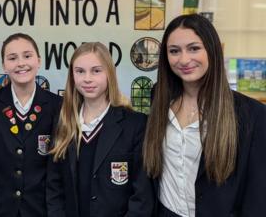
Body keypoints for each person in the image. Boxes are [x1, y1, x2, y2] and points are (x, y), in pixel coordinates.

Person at [142, 14, 266, 216]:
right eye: (174, 51)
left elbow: (257, 196)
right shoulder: (159, 97)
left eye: (194, 48)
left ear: (212, 50)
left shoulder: (252, 114)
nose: (184, 59)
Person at [47, 42, 153, 217]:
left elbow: (141, 195)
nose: (87, 78)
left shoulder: (135, 124)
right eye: (80, 71)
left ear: (109, 73)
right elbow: (54, 185)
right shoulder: (64, 122)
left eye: (96, 71)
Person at [0, 33, 62, 217]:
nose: (21, 63)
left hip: (40, 209)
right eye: (12, 58)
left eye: (27, 56)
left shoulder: (56, 105)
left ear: (39, 61)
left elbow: (59, 168)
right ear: (4, 66)